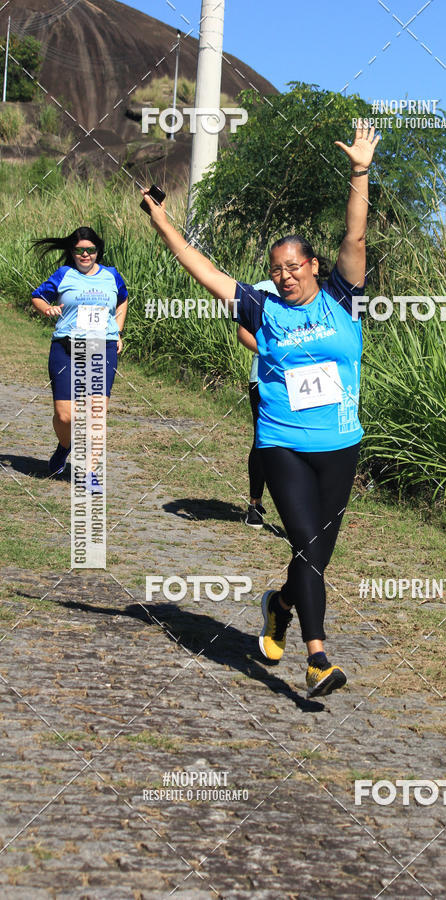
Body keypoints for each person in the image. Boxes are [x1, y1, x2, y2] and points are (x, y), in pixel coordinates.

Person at [141, 122, 379, 698]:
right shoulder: (260, 306)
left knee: (317, 552)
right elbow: (200, 268)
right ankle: (318, 658)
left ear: (315, 266)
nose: (285, 274)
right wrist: (161, 221)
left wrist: (360, 171)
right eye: (276, 268)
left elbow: (356, 236)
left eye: (295, 265)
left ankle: (279, 604)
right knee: (306, 547)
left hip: (341, 444)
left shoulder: (344, 297)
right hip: (283, 443)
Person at [30, 227, 128, 482]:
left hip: (100, 346)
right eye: (79, 250)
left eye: (91, 250)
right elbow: (37, 296)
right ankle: (65, 447)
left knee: (96, 412)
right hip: (66, 346)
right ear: (72, 252)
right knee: (65, 415)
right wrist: (47, 309)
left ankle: (90, 471)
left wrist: (117, 331)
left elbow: (123, 300)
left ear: (98, 251)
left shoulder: (111, 276)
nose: (85, 254)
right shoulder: (64, 275)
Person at [237, 278, 277, 528]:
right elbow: (243, 332)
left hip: (303, 381)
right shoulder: (262, 290)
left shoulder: (314, 292)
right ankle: (254, 505)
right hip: (263, 379)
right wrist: (274, 354)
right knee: (263, 440)